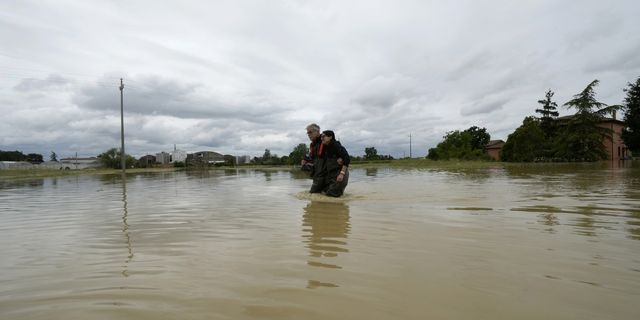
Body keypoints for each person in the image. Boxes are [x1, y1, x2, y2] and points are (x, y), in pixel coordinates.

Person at [310, 130, 350, 197]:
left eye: (323, 136)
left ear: (330, 137)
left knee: (332, 196)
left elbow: (347, 159)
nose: (322, 138)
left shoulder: (336, 145)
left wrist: (342, 174)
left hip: (340, 175)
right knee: (326, 194)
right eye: (321, 137)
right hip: (332, 176)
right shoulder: (326, 147)